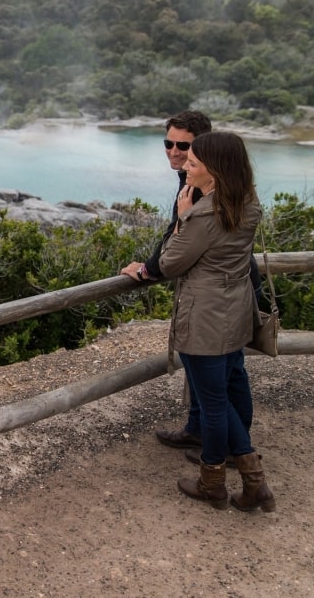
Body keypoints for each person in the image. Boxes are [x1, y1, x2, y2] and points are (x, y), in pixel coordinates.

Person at [157, 131, 276, 512]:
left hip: (205, 314)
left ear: (215, 171)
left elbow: (169, 263)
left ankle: (220, 483)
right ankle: (250, 483)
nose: (185, 168)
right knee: (226, 390)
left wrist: (181, 218)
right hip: (235, 307)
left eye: (192, 163)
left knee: (213, 401)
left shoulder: (203, 214)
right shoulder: (247, 202)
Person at [120, 111, 212, 451]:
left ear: (201, 146)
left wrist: (149, 270)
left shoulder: (201, 187)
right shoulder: (203, 179)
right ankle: (202, 432)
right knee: (221, 375)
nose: (173, 151)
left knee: (211, 379)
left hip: (210, 298)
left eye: (182, 146)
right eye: (168, 143)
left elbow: (179, 240)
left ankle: (223, 455)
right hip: (229, 292)